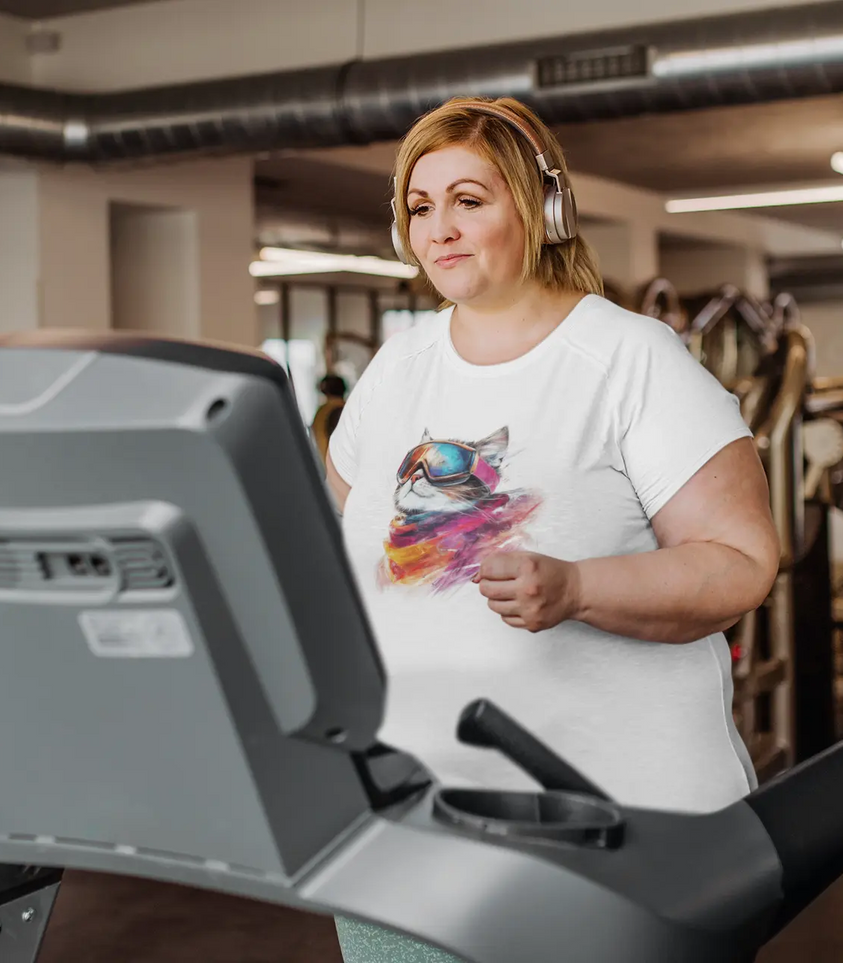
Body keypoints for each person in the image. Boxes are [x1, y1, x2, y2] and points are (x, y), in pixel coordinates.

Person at [323, 96, 780, 962]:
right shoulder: (395, 369)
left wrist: (578, 587)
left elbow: (740, 564)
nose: (439, 229)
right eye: (420, 207)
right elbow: (341, 533)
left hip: (610, 827)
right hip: (410, 823)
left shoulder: (629, 359)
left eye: (468, 200)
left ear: (543, 210)